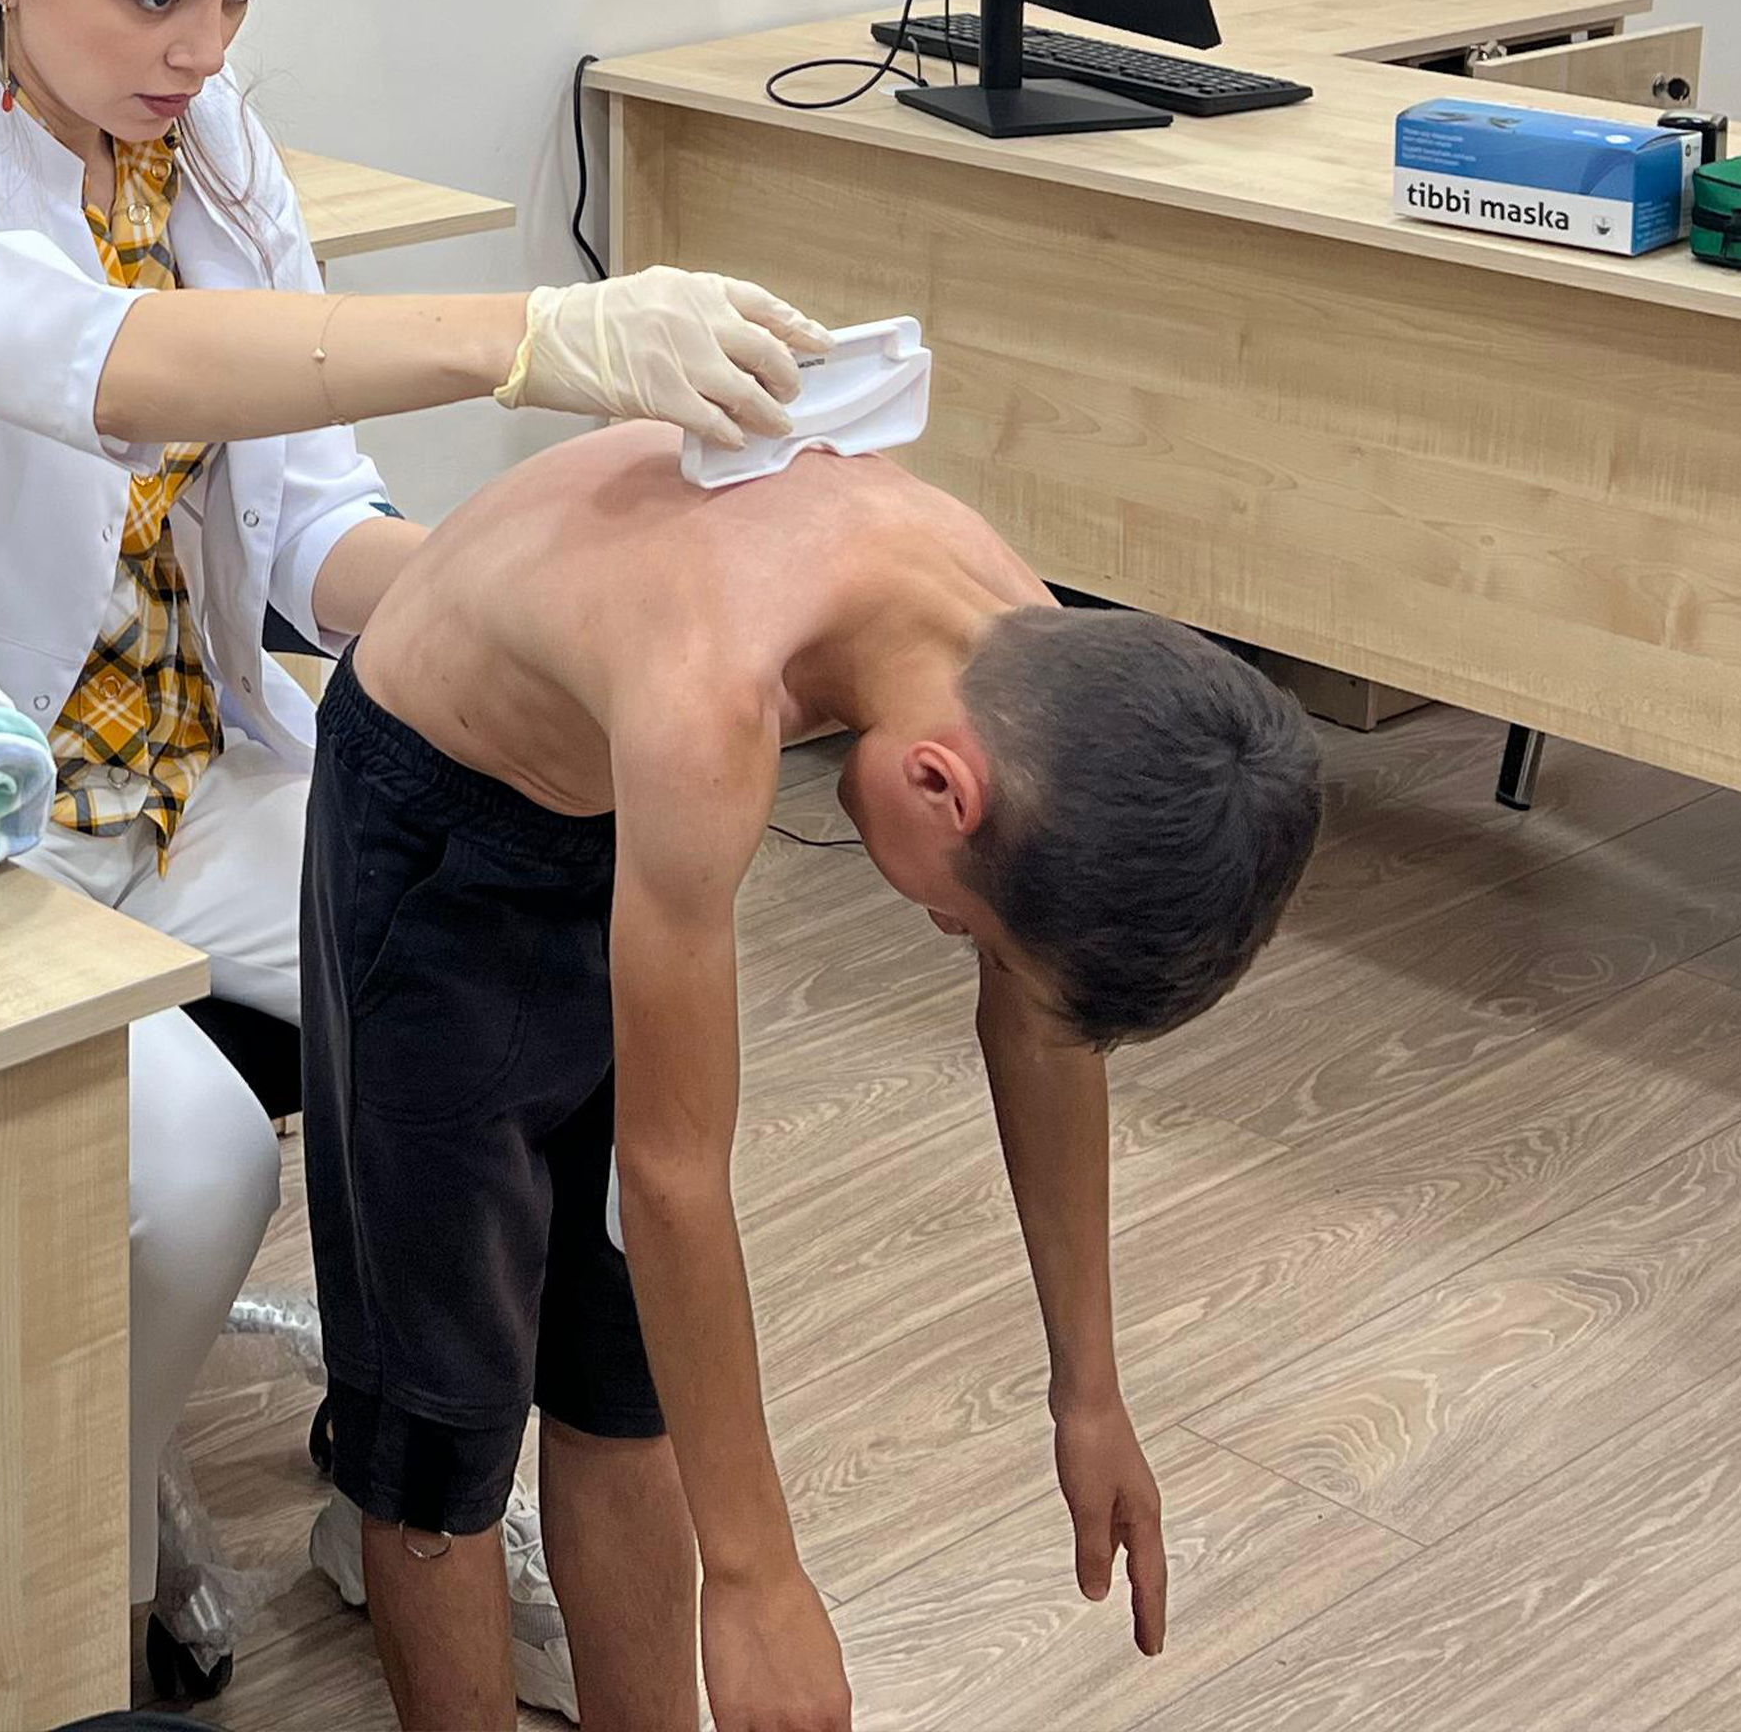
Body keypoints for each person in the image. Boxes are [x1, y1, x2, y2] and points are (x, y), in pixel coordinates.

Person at [0, 0, 833, 1670]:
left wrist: (534, 620)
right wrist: (534, 336)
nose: (205, 54)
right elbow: (115, 369)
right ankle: (82, 1535)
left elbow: (320, 529)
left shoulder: (206, 146)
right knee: (189, 1162)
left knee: (545, 980)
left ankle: (406, 1486)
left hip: (193, 772)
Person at [302, 422, 1322, 1732]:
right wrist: (757, 1575)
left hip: (619, 811)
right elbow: (676, 1178)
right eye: (966, 927)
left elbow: (1038, 1030)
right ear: (942, 786)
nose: (957, 942)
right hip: (439, 822)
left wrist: (1090, 1385)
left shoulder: (1040, 665)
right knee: (439, 1431)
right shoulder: (710, 687)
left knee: (628, 1378)